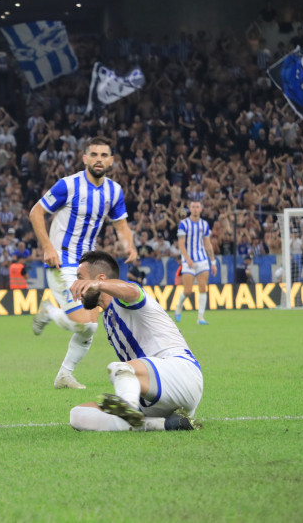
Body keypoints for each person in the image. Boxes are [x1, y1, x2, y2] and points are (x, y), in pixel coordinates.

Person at [30, 136, 137, 390]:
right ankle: (49, 311)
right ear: (85, 158)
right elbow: (36, 212)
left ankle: (64, 376)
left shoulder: (114, 191)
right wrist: (47, 248)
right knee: (85, 323)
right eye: (94, 155)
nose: (98, 159)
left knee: (90, 327)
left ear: (110, 161)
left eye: (103, 155)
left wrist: (129, 245)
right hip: (61, 261)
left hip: (87, 267)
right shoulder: (67, 185)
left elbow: (121, 224)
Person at [67, 250, 203, 432]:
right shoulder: (107, 317)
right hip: (155, 394)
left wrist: (97, 285)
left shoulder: (124, 297)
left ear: (100, 278)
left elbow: (132, 291)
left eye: (80, 278)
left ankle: (128, 413)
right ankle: (162, 424)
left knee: (120, 368)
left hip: (181, 373)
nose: (76, 284)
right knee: (77, 414)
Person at [173, 200, 217, 325]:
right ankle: (179, 306)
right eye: (193, 207)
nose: (195, 209)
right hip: (188, 261)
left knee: (203, 288)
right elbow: (181, 244)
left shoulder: (204, 224)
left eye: (198, 207)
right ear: (190, 209)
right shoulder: (184, 224)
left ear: (201, 209)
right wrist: (187, 259)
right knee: (188, 290)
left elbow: (208, 244)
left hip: (202, 259)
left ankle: (200, 318)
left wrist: (213, 262)